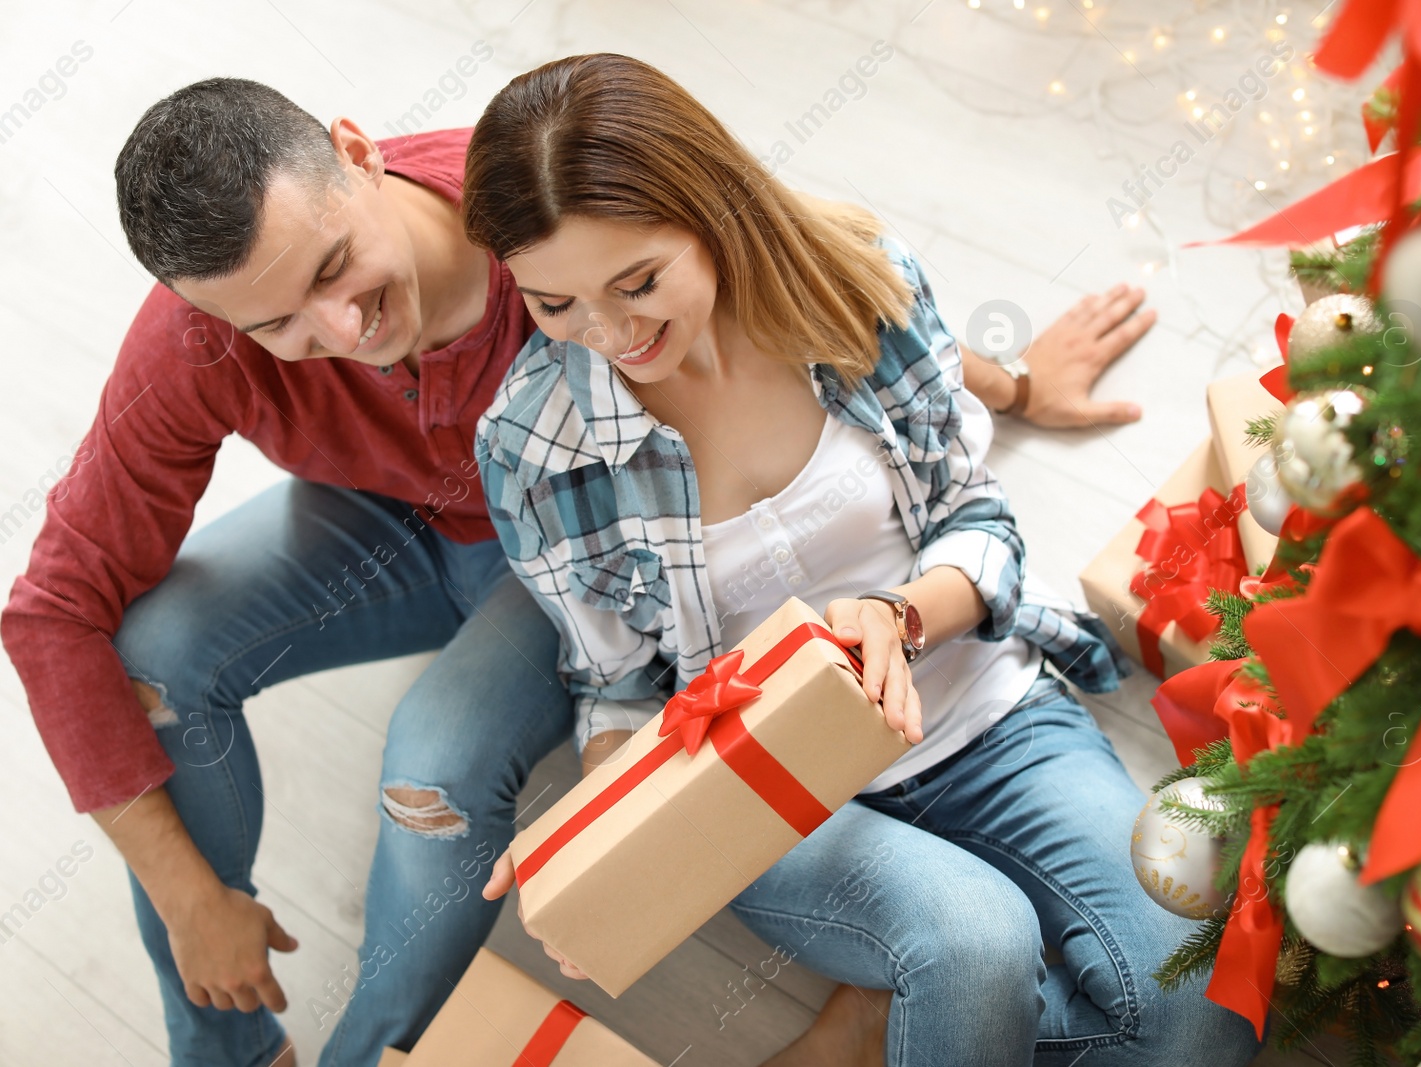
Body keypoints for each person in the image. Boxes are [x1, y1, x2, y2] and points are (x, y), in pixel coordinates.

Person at [1, 78, 1152, 1067]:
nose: (341, 327)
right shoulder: (206, 333)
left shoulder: (535, 202)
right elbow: (51, 606)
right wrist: (190, 895)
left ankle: (372, 1049)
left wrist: (1000, 383)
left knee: (433, 765)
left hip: (543, 555)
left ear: (358, 153)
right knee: (151, 659)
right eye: (279, 324)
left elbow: (778, 257)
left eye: (339, 266)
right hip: (395, 515)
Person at [466, 54, 1259, 1067]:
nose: (610, 334)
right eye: (554, 305)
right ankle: (934, 999)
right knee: (975, 937)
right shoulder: (534, 446)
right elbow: (614, 685)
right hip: (771, 793)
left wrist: (899, 614)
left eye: (638, 281)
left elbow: (973, 512)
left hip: (986, 712)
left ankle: (891, 1023)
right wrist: (606, 846)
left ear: (711, 208)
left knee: (1196, 1005)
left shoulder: (850, 279)